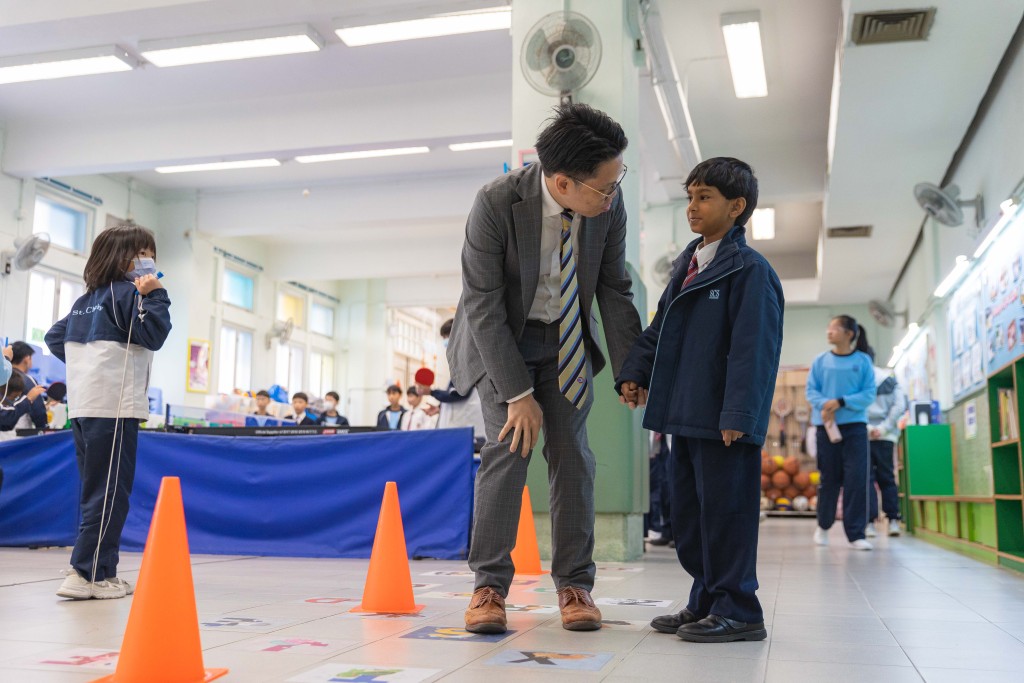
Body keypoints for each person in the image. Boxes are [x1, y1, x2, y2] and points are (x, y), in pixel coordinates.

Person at [447, 103, 642, 634]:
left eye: (616, 179)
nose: (612, 192)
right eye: (603, 185)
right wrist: (516, 393)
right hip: (500, 338)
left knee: (572, 454)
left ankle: (575, 584)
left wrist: (632, 366)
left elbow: (613, 286)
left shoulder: (607, 204)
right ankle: (489, 586)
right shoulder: (495, 202)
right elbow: (483, 304)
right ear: (562, 181)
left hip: (566, 339)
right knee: (509, 449)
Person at [617, 157, 783, 643]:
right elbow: (660, 329)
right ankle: (706, 599)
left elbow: (753, 351)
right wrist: (634, 371)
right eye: (689, 196)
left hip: (723, 421)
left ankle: (741, 609)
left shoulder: (750, 271)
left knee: (726, 515)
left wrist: (739, 414)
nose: (692, 206)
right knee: (689, 514)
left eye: (704, 196)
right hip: (684, 417)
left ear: (737, 206)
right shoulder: (689, 267)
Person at [45, 223, 172, 600]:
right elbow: (155, 335)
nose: (149, 262)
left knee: (96, 491)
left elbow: (55, 337)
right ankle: (83, 573)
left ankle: (103, 571)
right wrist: (158, 294)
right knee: (110, 494)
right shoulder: (124, 295)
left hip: (84, 406)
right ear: (124, 259)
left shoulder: (86, 300)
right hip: (114, 408)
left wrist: (88, 366)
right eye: (144, 254)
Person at [806, 315, 877, 550]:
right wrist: (826, 405)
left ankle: (856, 534)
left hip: (855, 427)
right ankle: (823, 526)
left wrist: (841, 401)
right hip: (826, 427)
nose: (829, 332)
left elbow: (869, 394)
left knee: (857, 479)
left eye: (834, 328)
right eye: (828, 328)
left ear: (849, 334)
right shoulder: (820, 361)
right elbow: (811, 391)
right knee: (829, 479)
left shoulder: (863, 361)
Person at [419, 318, 486, 446]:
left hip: (467, 429)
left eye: (446, 336)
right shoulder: (459, 361)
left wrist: (431, 392)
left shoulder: (467, 360)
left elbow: (459, 393)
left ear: (458, 335)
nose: (445, 342)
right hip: (461, 428)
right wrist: (440, 408)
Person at [867, 365, 907, 537]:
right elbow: (899, 406)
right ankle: (893, 521)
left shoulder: (858, 379)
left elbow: (853, 407)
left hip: (864, 436)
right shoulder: (890, 380)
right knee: (887, 478)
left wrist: (869, 429)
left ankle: (869, 523)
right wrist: (883, 429)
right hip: (887, 436)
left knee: (867, 479)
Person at [9, 341, 48, 429]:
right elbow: (38, 411)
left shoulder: (3, 376)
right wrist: (44, 428)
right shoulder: (27, 380)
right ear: (27, 358)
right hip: (18, 434)